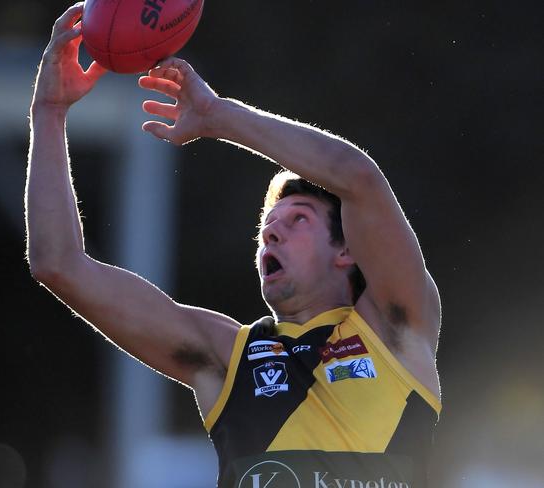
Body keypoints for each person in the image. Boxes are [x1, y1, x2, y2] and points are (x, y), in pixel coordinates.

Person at [26, 4, 441, 487]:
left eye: (298, 219)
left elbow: (359, 179)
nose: (271, 232)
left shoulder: (396, 329)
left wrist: (218, 116)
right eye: (268, 225)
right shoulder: (227, 358)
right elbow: (56, 264)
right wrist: (49, 112)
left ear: (345, 251)